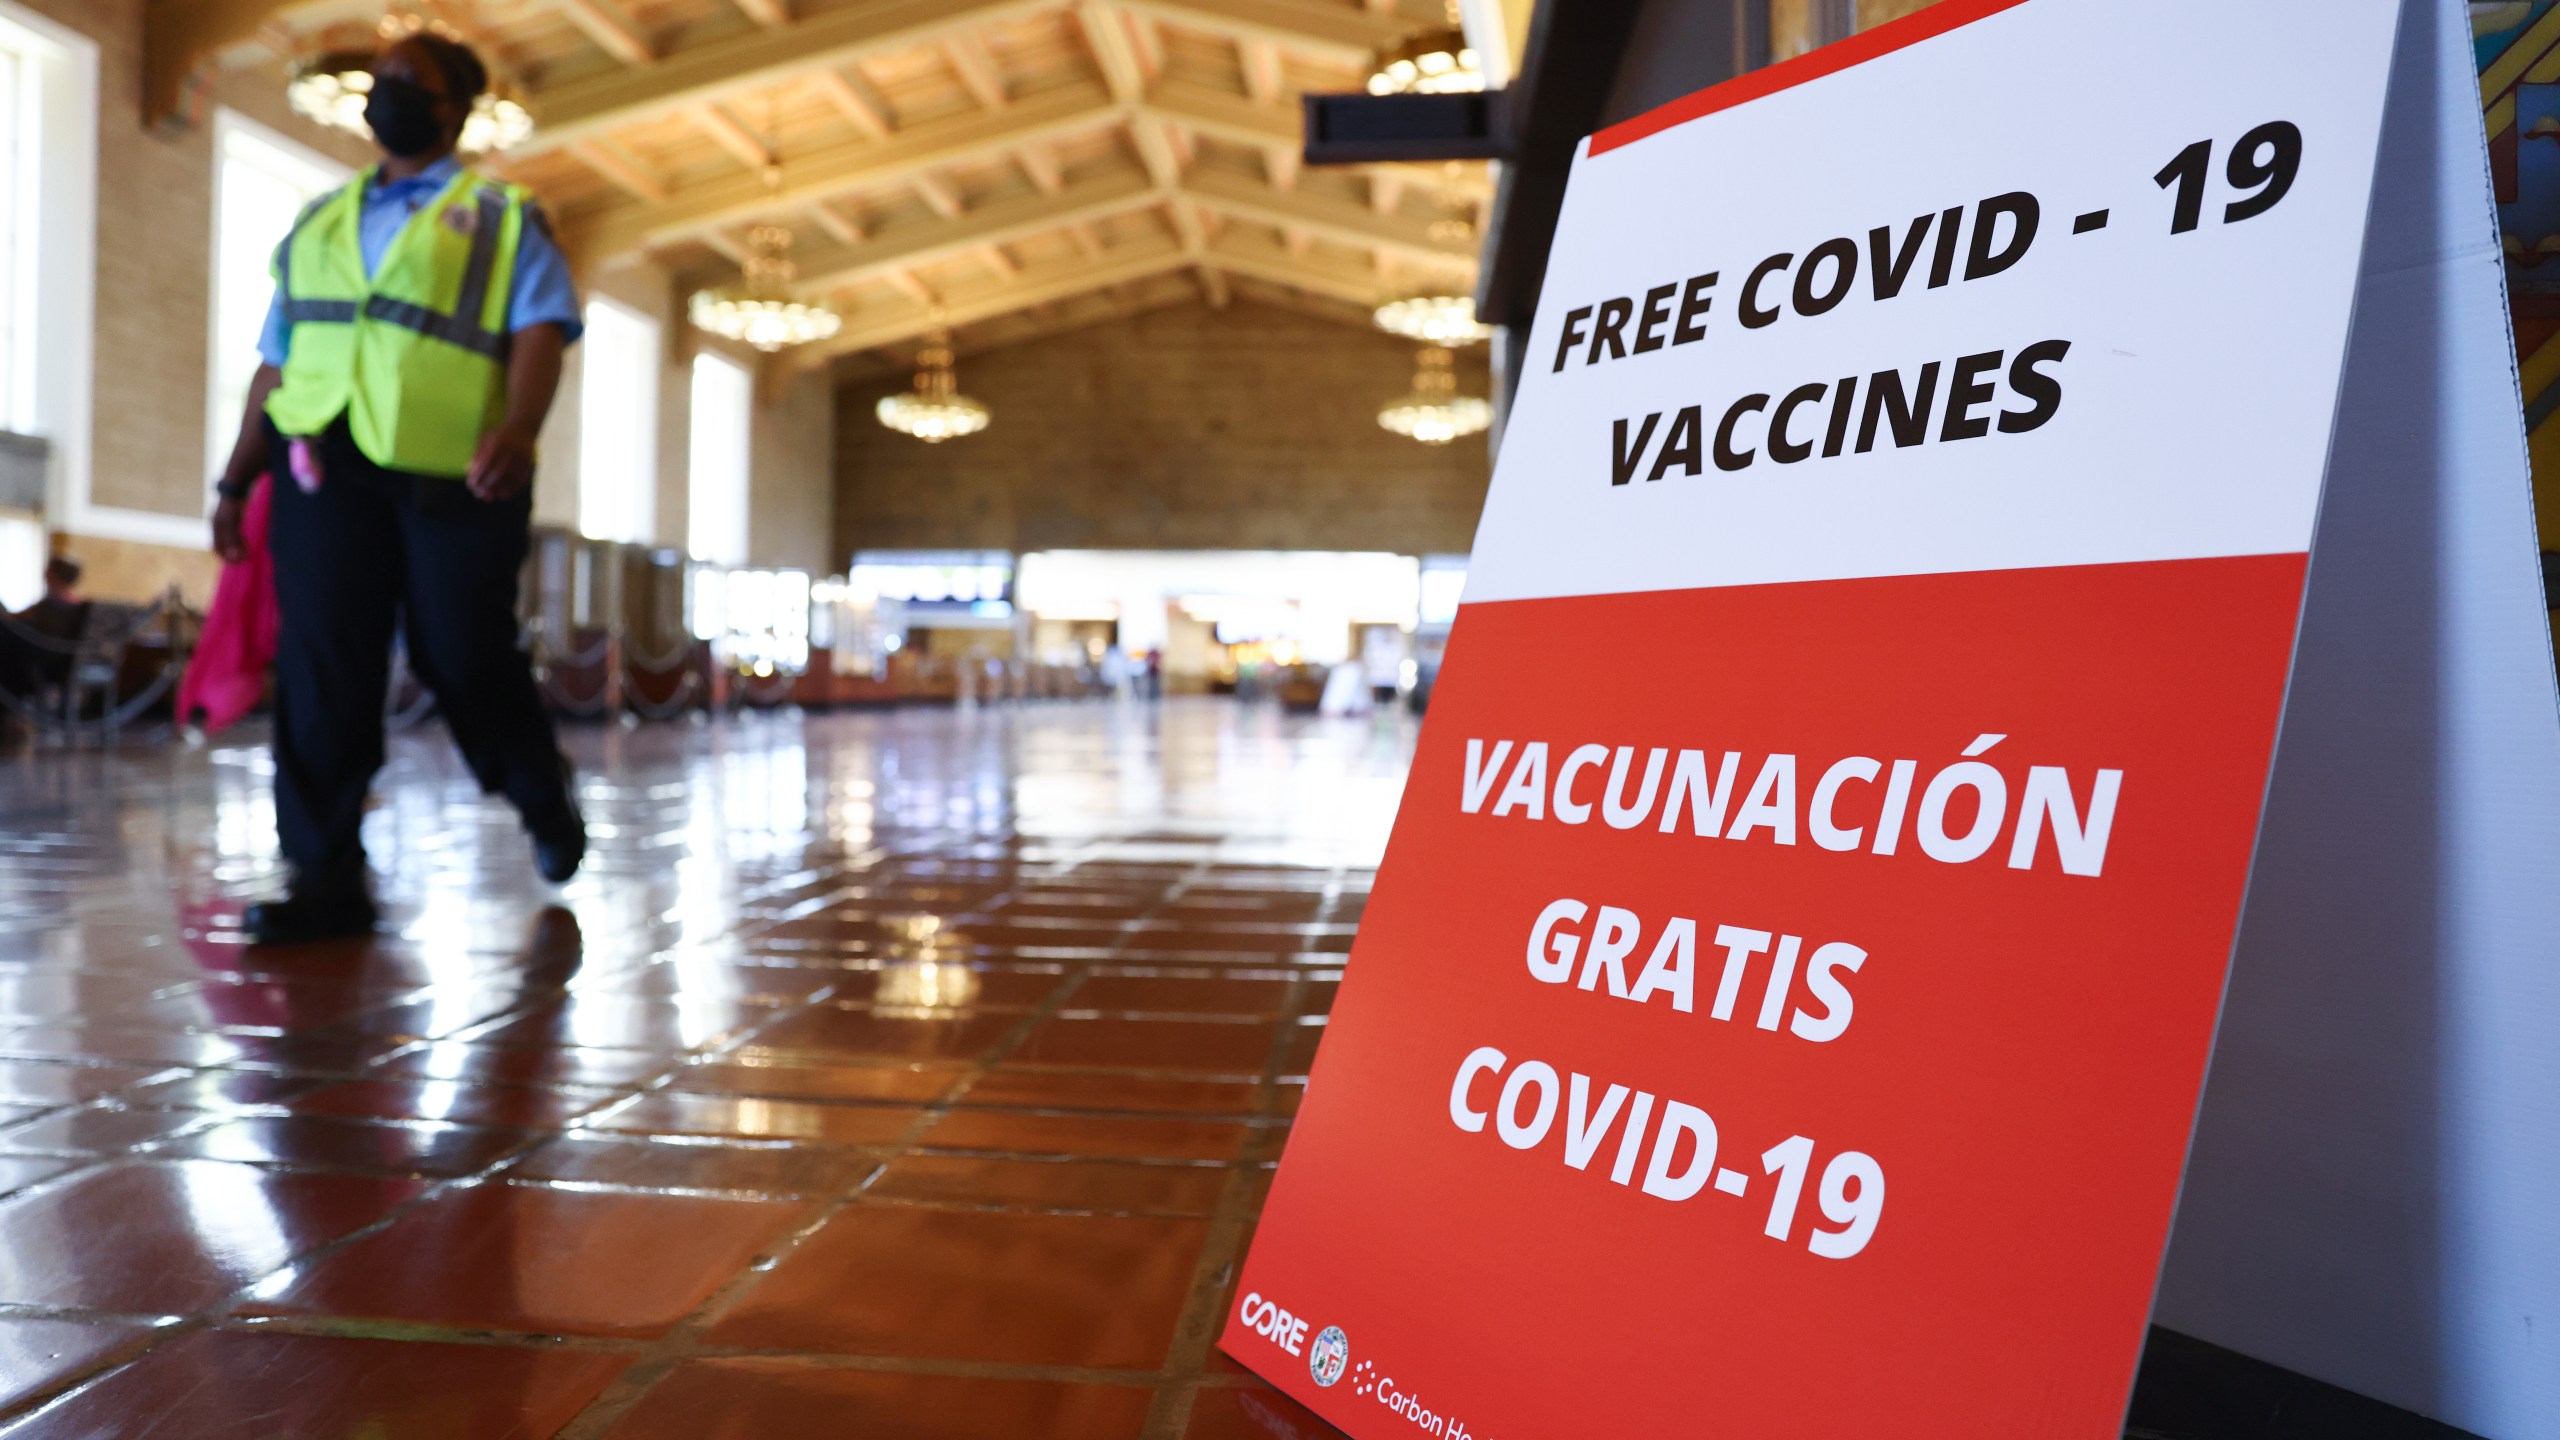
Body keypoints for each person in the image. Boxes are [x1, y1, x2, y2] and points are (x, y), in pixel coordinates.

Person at [208, 31, 586, 945]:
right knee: (322, 662)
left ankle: (540, 794)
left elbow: (542, 328)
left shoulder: (500, 215)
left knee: (462, 653)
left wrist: (522, 432)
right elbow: (277, 360)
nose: (385, 95)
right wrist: (236, 476)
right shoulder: (320, 222)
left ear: (457, 108)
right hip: (321, 465)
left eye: (409, 83)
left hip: (456, 471)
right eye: (380, 82)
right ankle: (324, 872)